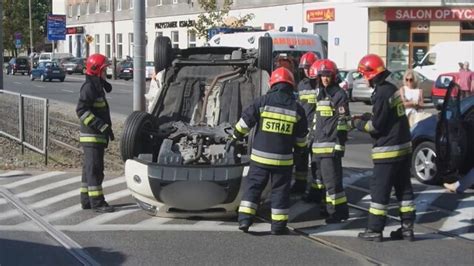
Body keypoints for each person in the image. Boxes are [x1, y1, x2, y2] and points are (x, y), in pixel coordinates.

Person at [230, 67, 308, 235]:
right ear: (290, 85)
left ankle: (245, 220)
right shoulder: (297, 108)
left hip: (260, 159)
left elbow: (245, 122)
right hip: (284, 161)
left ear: (273, 84)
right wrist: (299, 152)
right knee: (280, 192)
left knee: (254, 188)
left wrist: (235, 136)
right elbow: (302, 138)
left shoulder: (263, 102)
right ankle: (278, 226)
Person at [353, 54, 416, 242]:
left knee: (379, 190)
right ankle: (407, 229)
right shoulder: (391, 89)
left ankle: (374, 229)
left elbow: (376, 127)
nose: (364, 78)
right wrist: (367, 116)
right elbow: (388, 117)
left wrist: (357, 124)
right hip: (404, 148)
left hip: (387, 151)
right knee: (404, 190)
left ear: (370, 74)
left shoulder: (381, 93)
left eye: (364, 74)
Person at [311, 59, 351, 224]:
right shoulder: (321, 93)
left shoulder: (339, 95)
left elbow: (343, 122)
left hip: (330, 147)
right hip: (319, 146)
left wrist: (339, 145)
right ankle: (330, 210)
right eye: (322, 75)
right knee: (325, 183)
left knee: (332, 183)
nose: (325, 78)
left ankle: (337, 212)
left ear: (334, 76)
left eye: (328, 75)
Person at [76, 53, 115, 213]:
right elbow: (81, 110)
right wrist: (100, 126)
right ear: (96, 70)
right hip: (92, 136)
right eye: (104, 70)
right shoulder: (90, 88)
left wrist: (106, 129)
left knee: (89, 169)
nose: (106, 73)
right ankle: (97, 202)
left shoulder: (97, 86)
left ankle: (86, 200)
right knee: (95, 169)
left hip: (96, 136)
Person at [291, 52, 319, 193]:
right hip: (303, 127)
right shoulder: (302, 84)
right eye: (304, 68)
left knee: (315, 161)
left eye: (309, 67)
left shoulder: (320, 84)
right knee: (301, 158)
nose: (307, 71)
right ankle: (300, 185)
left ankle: (316, 188)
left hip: (317, 129)